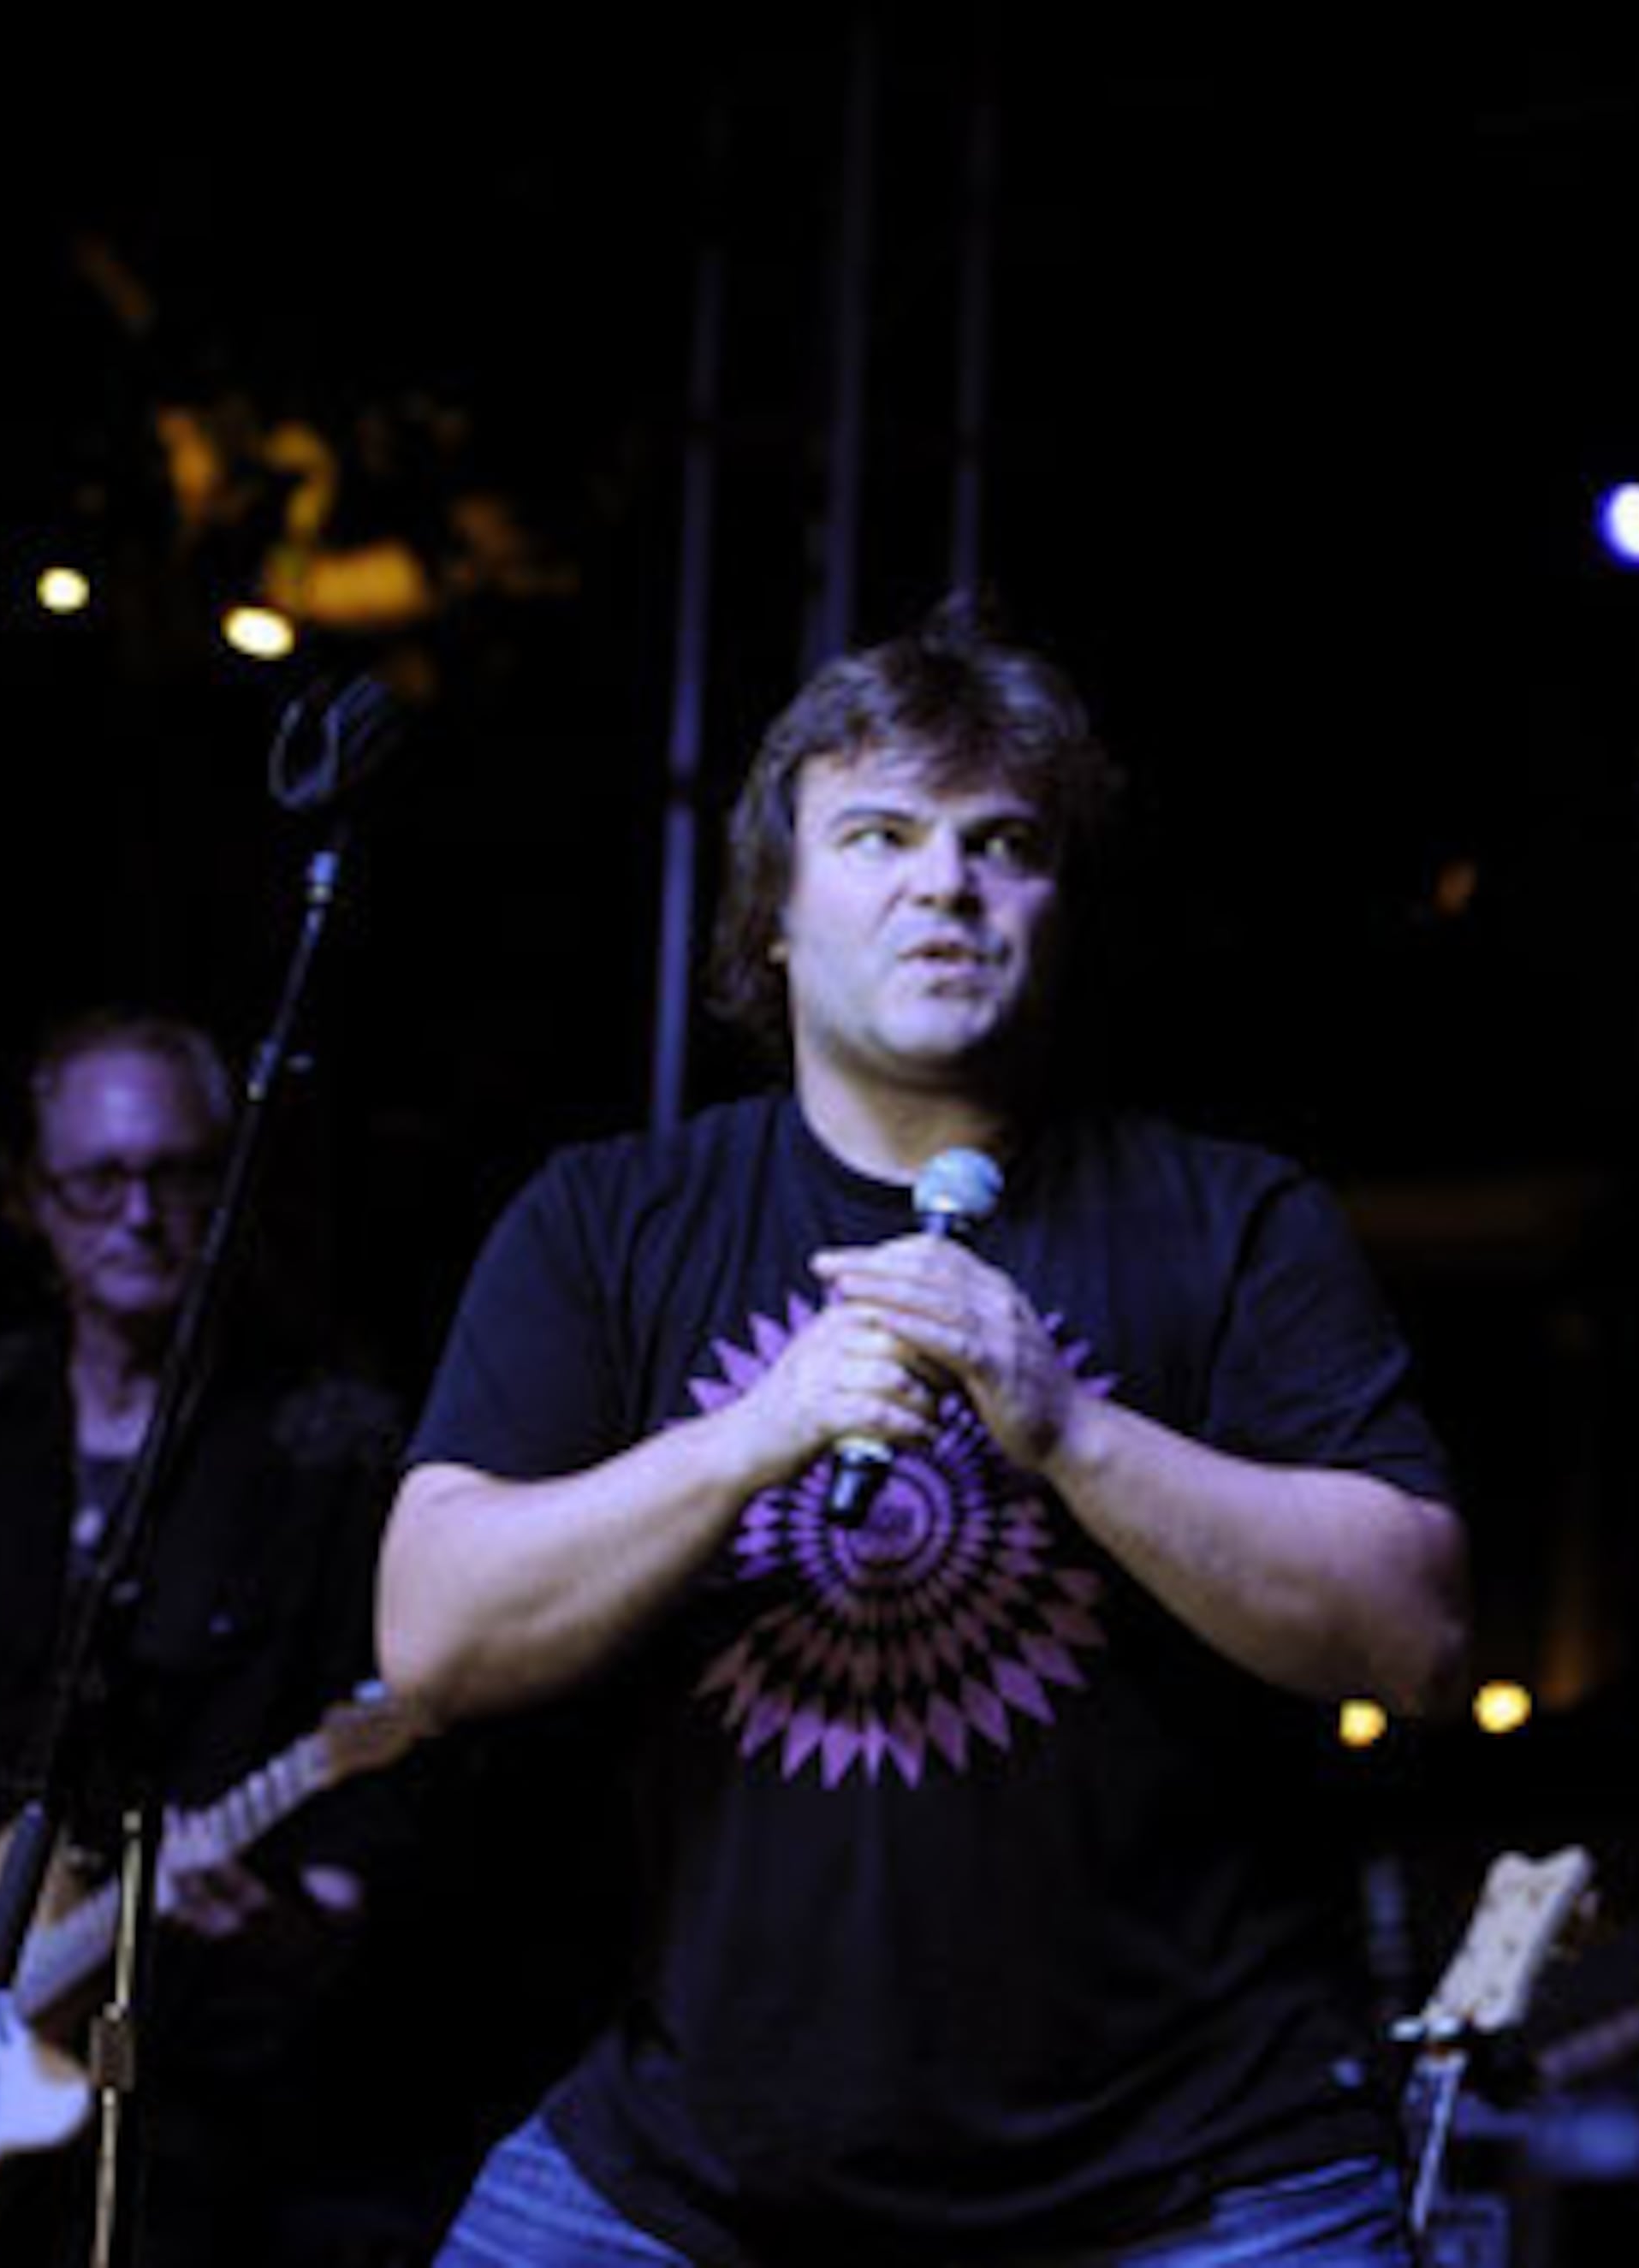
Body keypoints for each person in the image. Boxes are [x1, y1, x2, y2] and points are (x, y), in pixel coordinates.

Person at [377, 606, 1470, 2265]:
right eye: (880, 836)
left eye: (1002, 844)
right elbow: (433, 1634)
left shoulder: (1236, 1218)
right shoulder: (607, 1220)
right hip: (702, 2170)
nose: (946, 885)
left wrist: (1073, 1427)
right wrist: (751, 1436)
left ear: (1057, 910)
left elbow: (1414, 1632)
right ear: (774, 916)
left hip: (1199, 2176)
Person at [0, 1010, 412, 2266]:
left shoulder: (333, 1446)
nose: (139, 1216)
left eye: (179, 1176)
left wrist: (288, 1927)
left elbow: (384, 1771)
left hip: (202, 2103)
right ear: (29, 1197)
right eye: (98, 1180)